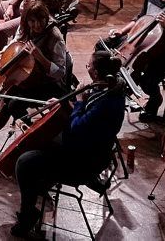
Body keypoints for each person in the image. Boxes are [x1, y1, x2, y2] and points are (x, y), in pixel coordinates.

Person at [11, 51, 127, 237]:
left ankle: (28, 216)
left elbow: (78, 128)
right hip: (89, 149)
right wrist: (64, 104)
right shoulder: (109, 88)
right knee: (40, 143)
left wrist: (79, 102)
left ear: (96, 73)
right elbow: (88, 122)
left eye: (88, 66)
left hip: (84, 163)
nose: (86, 68)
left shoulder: (107, 102)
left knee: (24, 163)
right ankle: (39, 185)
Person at [0, 0, 71, 132]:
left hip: (44, 82)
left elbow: (60, 72)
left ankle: (30, 132)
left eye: (41, 20)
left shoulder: (55, 37)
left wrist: (41, 57)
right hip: (22, 75)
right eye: (32, 21)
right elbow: (14, 45)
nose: (37, 25)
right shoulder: (25, 27)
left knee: (13, 104)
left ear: (46, 17)